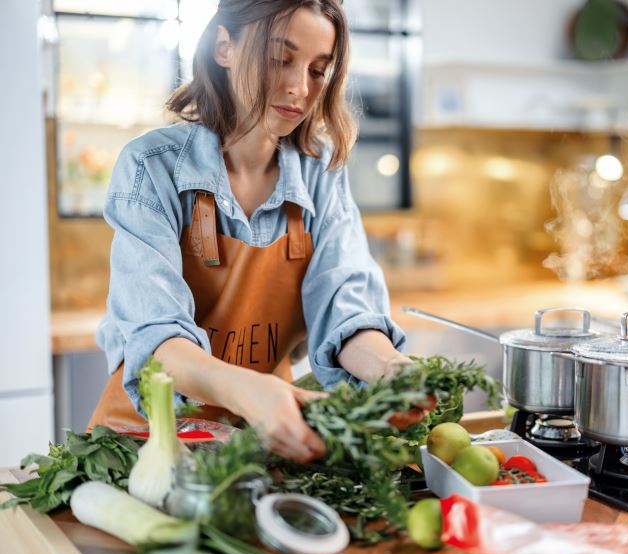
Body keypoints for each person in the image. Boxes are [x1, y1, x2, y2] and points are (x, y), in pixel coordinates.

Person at [88, 0, 429, 463]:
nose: (298, 88)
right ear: (224, 46)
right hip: (146, 447)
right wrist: (251, 391)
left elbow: (346, 311)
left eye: (317, 70)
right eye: (279, 59)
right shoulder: (151, 167)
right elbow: (157, 342)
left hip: (265, 446)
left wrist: (393, 371)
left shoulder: (320, 175)